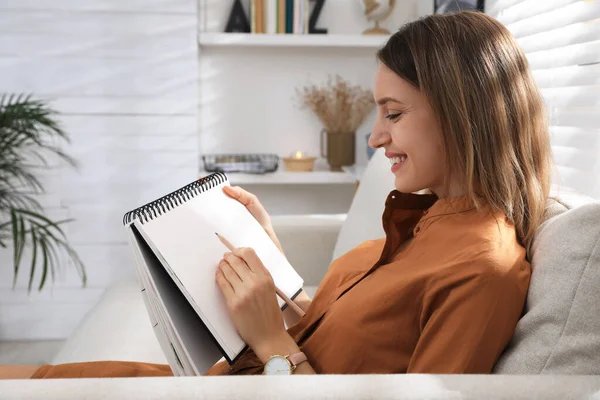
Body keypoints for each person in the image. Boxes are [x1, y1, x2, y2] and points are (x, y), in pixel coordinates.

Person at [2, 10, 552, 379]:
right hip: (235, 381)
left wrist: (270, 339)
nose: (377, 136)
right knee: (37, 378)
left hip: (253, 384)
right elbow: (355, 340)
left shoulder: (481, 270)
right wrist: (272, 258)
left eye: (394, 113)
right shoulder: (426, 218)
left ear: (463, 114)